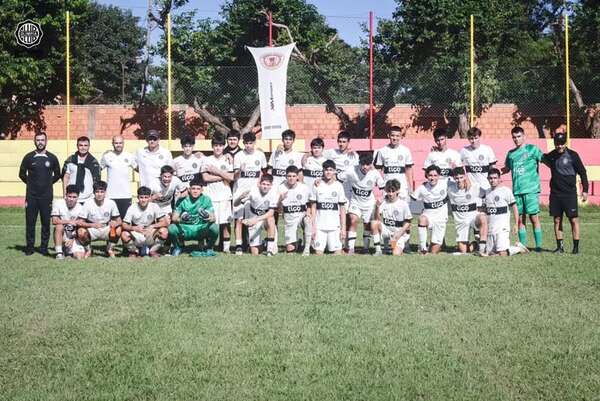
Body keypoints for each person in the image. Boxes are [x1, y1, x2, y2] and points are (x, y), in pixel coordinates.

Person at [541, 132, 589, 254]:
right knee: (557, 220)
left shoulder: (573, 155)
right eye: (557, 144)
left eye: (562, 144)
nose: (560, 146)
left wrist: (585, 190)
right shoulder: (551, 156)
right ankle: (560, 247)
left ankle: (576, 248)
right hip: (555, 194)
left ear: (565, 143)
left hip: (570, 194)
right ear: (554, 143)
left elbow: (582, 172)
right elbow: (540, 157)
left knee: (574, 220)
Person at [19, 132, 61, 255]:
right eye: (38, 140)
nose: (40, 142)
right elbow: (21, 174)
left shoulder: (52, 158)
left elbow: (57, 174)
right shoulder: (28, 157)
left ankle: (43, 248)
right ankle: (30, 247)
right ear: (34, 141)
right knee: (30, 223)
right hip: (31, 196)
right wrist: (31, 183)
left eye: (42, 140)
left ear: (46, 141)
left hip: (46, 196)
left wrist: (48, 183)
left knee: (45, 223)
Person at [501, 126, 544, 251]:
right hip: (517, 190)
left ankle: (538, 246)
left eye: (519, 136)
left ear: (524, 136)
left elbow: (545, 160)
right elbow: (507, 168)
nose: (516, 139)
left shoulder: (533, 149)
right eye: (514, 137)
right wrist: (496, 172)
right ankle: (523, 245)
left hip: (531, 189)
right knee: (519, 219)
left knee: (533, 217)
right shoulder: (511, 154)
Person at [337, 152, 385, 254]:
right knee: (353, 220)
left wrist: (381, 198)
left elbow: (383, 187)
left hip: (369, 204)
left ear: (371, 164)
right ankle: (351, 249)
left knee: (367, 225)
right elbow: (338, 177)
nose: (364, 167)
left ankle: (366, 248)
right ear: (359, 163)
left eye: (367, 164)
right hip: (355, 202)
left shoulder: (375, 173)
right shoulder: (351, 170)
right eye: (362, 164)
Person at [232, 132, 267, 254]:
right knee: (239, 219)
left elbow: (263, 173)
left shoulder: (260, 155)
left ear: (254, 143)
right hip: (240, 191)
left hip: (254, 192)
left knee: (254, 218)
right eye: (246, 143)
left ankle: (255, 243)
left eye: (250, 143)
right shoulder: (238, 156)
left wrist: (260, 186)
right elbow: (235, 177)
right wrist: (239, 171)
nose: (248, 146)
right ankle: (238, 245)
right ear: (243, 143)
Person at [167, 177, 219, 257]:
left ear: (202, 190)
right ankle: (178, 247)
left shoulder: (206, 199)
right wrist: (182, 219)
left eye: (198, 189)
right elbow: (174, 218)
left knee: (215, 227)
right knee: (172, 228)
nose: (195, 191)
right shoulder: (182, 200)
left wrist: (207, 216)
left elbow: (213, 218)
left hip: (200, 229)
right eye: (193, 188)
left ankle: (208, 248)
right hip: (186, 229)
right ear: (189, 189)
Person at [201, 134, 235, 252]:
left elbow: (231, 177)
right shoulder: (207, 160)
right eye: (215, 146)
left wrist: (216, 171)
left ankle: (226, 248)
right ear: (212, 147)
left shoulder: (228, 159)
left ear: (223, 147)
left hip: (225, 195)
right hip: (211, 196)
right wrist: (222, 176)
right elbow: (205, 177)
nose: (218, 148)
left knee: (225, 223)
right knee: (210, 223)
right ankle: (209, 246)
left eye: (220, 146)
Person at [483, 168, 529, 256]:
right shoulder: (487, 192)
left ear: (500, 179)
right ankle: (516, 247)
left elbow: (515, 207)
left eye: (495, 178)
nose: (493, 180)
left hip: (502, 228)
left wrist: (516, 224)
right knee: (490, 252)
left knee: (501, 253)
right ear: (487, 179)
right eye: (490, 178)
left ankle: (518, 248)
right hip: (491, 229)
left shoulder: (506, 191)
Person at [234, 174, 278, 256]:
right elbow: (236, 204)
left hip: (263, 219)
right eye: (263, 184)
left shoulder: (274, 193)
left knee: (271, 219)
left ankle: (270, 249)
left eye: (268, 185)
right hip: (253, 218)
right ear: (259, 184)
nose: (265, 187)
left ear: (271, 185)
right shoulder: (253, 191)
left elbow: (271, 212)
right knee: (254, 252)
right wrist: (240, 198)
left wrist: (255, 220)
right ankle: (264, 243)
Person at [309, 160, 347, 255]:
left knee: (337, 254)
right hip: (320, 226)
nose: (328, 172)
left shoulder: (339, 186)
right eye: (326, 170)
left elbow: (342, 209)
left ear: (334, 171)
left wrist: (343, 228)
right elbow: (313, 207)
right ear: (323, 171)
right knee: (318, 253)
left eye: (331, 170)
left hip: (334, 226)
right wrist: (313, 226)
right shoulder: (317, 185)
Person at [76, 180, 122, 258]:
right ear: (94, 192)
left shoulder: (111, 203)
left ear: (105, 192)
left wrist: (115, 223)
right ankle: (89, 250)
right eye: (97, 192)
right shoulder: (88, 203)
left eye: (102, 192)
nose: (99, 194)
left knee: (118, 229)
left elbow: (119, 220)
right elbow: (79, 222)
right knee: (81, 231)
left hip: (106, 227)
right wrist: (92, 224)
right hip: (92, 228)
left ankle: (109, 249)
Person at [447, 167, 488, 255]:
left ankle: (482, 248)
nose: (459, 180)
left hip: (473, 218)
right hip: (461, 222)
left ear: (465, 177)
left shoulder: (474, 187)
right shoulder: (450, 189)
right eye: (456, 178)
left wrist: (485, 208)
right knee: (463, 251)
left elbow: (487, 194)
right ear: (454, 178)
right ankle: (475, 245)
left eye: (461, 177)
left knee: (482, 217)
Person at [121, 186, 169, 258]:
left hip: (150, 232)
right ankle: (134, 251)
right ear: (138, 197)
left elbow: (165, 222)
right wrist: (134, 228)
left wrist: (152, 226)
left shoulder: (154, 206)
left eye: (146, 197)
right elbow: (124, 224)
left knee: (164, 231)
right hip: (137, 233)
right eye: (141, 197)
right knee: (124, 234)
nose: (143, 200)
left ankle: (153, 251)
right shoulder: (132, 207)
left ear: (150, 197)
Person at [411, 165, 448, 255]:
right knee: (422, 219)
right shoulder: (422, 188)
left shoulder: (445, 183)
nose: (433, 178)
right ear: (426, 176)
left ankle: (436, 244)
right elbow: (412, 198)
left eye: (435, 175)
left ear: (439, 176)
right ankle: (423, 248)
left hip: (441, 218)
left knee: (434, 251)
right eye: (430, 175)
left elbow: (459, 181)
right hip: (428, 216)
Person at [100, 135, 137, 219]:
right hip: (111, 195)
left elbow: (139, 169)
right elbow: (98, 170)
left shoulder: (129, 156)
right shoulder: (106, 156)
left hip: (125, 195)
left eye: (120, 143)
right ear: (112, 144)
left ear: (123, 144)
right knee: (112, 221)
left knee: (124, 220)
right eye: (116, 143)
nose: (118, 145)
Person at [371, 179, 412, 256]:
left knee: (395, 254)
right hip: (387, 231)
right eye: (388, 191)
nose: (390, 194)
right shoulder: (383, 202)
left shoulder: (403, 204)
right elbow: (377, 220)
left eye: (393, 191)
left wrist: (399, 233)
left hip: (399, 232)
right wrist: (377, 207)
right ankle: (378, 251)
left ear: (398, 191)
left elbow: (408, 222)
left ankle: (395, 247)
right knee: (374, 223)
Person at [374, 125, 415, 199]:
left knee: (402, 208)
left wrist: (410, 186)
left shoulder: (406, 150)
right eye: (392, 135)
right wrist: (380, 184)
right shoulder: (382, 151)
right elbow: (378, 170)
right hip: (388, 186)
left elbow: (409, 169)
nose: (395, 138)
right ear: (388, 135)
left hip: (402, 187)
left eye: (397, 136)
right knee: (387, 208)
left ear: (401, 136)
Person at [278, 166, 312, 255]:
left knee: (308, 220)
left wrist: (308, 213)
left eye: (293, 176)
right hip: (289, 218)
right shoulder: (280, 188)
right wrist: (280, 200)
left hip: (301, 215)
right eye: (289, 176)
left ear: (297, 177)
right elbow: (278, 210)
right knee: (290, 251)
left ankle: (307, 248)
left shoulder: (304, 188)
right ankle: (297, 243)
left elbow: (310, 203)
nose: (291, 178)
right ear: (285, 176)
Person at [62, 136, 101, 204]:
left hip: (88, 199)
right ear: (77, 146)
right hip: (72, 198)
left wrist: (95, 197)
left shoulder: (93, 162)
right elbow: (65, 177)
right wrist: (65, 193)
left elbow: (97, 181)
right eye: (80, 145)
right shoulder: (70, 160)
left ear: (89, 146)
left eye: (85, 145)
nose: (83, 148)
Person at [323, 131, 359, 201]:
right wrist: (306, 155)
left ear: (348, 142)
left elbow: (357, 171)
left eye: (344, 142)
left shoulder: (354, 156)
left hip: (348, 187)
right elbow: (318, 153)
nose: (341, 144)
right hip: (334, 185)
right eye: (340, 141)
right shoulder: (332, 152)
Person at [51, 185, 84, 259]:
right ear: (66, 195)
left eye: (74, 197)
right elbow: (54, 220)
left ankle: (67, 251)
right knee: (59, 226)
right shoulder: (58, 203)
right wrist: (69, 221)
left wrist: (72, 240)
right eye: (69, 196)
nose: (71, 199)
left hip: (74, 236)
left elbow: (80, 226)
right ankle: (59, 253)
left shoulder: (81, 208)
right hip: (62, 234)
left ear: (78, 197)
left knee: (79, 257)